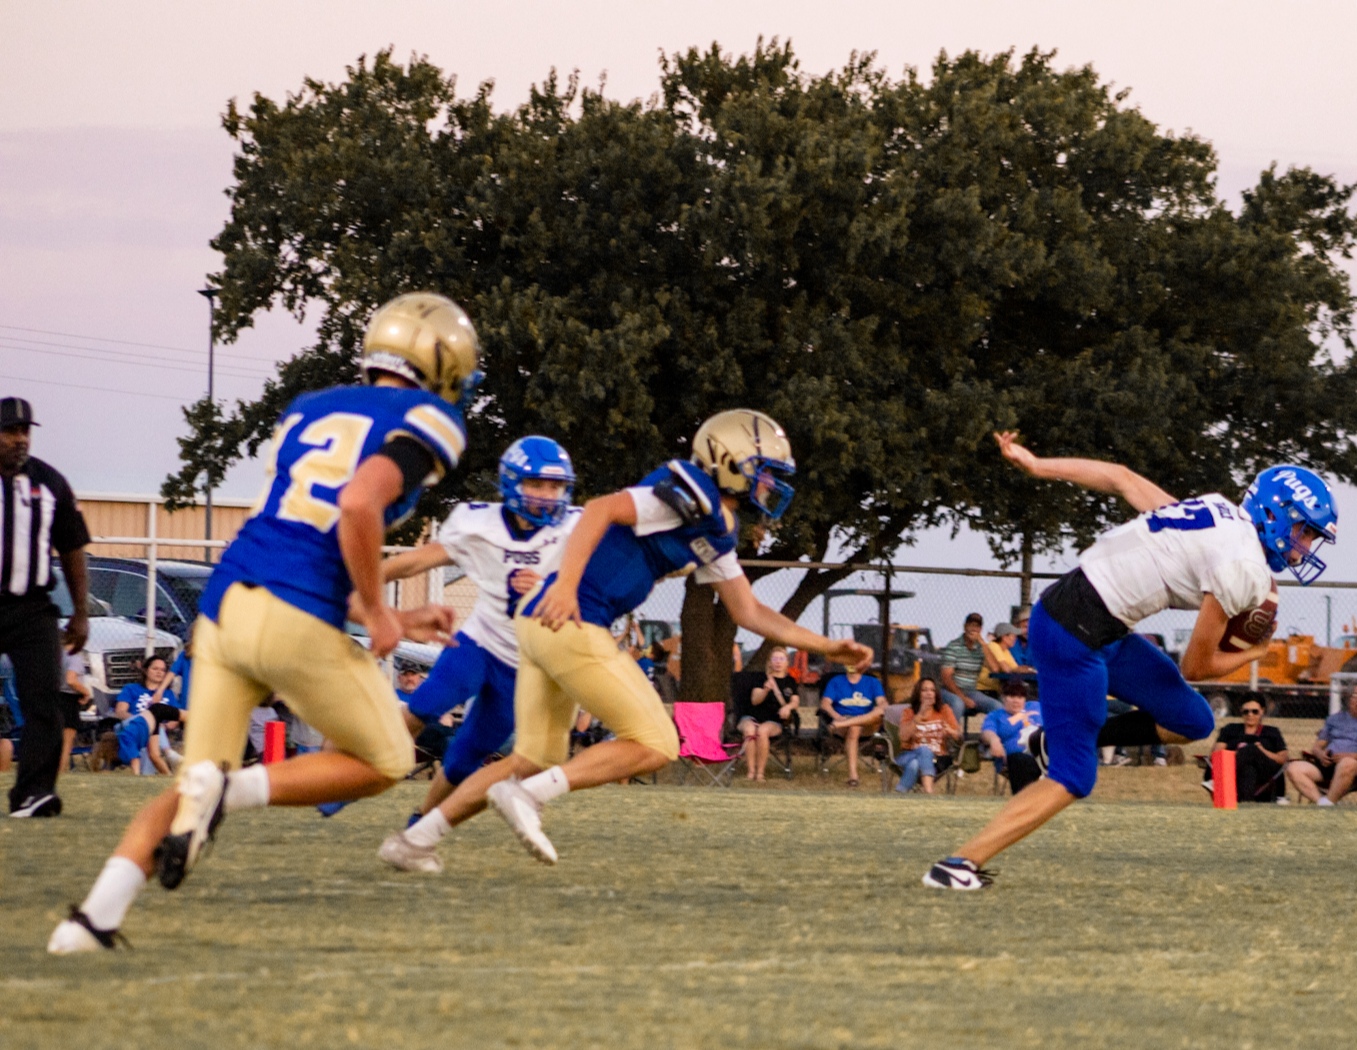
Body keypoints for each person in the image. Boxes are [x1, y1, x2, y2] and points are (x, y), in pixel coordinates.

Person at [49, 294, 476, 953]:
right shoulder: (430, 418)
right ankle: (231, 790)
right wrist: (384, 613)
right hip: (294, 615)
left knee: (195, 783)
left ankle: (90, 921)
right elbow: (360, 506)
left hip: (226, 605)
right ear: (444, 363)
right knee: (387, 755)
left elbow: (305, 533)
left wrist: (386, 610)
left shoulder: (311, 408)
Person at [381, 408, 870, 872]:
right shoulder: (686, 491)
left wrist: (826, 646)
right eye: (763, 472)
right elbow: (599, 511)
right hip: (571, 617)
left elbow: (748, 610)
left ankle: (414, 841)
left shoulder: (718, 526)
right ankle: (527, 796)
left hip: (541, 622)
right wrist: (568, 586)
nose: (770, 485)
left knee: (531, 759)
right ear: (729, 461)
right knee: (656, 742)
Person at [924, 433, 1334, 889]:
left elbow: (1120, 478)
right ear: (1276, 515)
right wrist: (1259, 651)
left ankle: (1050, 742)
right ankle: (958, 863)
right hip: (1070, 632)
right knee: (1074, 776)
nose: (1305, 548)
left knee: (1193, 718)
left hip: (1100, 624)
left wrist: (1038, 464)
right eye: (1305, 533)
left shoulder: (1222, 513)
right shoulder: (1245, 566)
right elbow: (1196, 668)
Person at [353, 436, 581, 823]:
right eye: (537, 484)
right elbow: (419, 561)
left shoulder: (577, 527)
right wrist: (361, 577)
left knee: (465, 760)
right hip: (480, 643)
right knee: (426, 705)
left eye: (555, 486)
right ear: (512, 483)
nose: (547, 495)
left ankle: (419, 822)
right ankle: (355, 772)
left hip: (525, 663)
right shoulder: (480, 523)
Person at [0, 396, 92, 818]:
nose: (20, 440)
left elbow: (73, 545)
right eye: (10, 431)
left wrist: (80, 611)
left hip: (32, 607)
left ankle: (33, 793)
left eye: (25, 431)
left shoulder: (50, 484)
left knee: (44, 699)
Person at [1285, 684, 1357, 806]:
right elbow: (1317, 746)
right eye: (1355, 696)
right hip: (1327, 762)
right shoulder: (1334, 719)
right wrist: (1320, 754)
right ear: (1348, 699)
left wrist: (1352, 756)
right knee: (1293, 768)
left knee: (1346, 763)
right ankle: (1323, 803)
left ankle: (1327, 802)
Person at [1201, 695, 1292, 802]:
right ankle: (1245, 806)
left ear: (1262, 711)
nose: (1250, 715)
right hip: (1237, 773)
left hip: (1266, 770)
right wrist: (1239, 753)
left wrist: (1261, 751)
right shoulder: (1230, 729)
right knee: (1249, 770)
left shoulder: (1272, 732)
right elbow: (1216, 754)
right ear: (1241, 712)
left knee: (1252, 749)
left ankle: (1218, 781)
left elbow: (1283, 759)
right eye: (1246, 711)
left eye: (1255, 711)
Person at [820, 655, 886, 786]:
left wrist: (880, 707)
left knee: (880, 711)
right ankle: (853, 776)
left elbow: (882, 703)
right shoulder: (836, 681)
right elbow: (825, 704)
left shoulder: (873, 682)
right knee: (854, 728)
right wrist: (837, 717)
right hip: (841, 722)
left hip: (866, 724)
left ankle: (853, 777)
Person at [113, 655, 181, 775]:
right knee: (150, 724)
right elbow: (120, 712)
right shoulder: (131, 689)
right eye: (155, 669)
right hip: (131, 727)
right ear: (145, 670)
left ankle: (145, 777)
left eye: (162, 670)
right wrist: (143, 721)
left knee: (153, 730)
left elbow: (175, 719)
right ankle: (168, 752)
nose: (159, 672)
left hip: (156, 733)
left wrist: (164, 726)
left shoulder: (168, 694)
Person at [739, 647, 801, 782]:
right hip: (752, 716)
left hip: (773, 720)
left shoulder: (790, 681)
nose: (778, 662)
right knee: (750, 730)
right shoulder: (761, 678)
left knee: (762, 731)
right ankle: (751, 772)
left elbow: (795, 701)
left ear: (786, 662)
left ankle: (760, 773)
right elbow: (754, 700)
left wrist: (788, 707)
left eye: (781, 659)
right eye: (775, 659)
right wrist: (766, 690)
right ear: (770, 662)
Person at [893, 676, 961, 794]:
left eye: (932, 690)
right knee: (924, 750)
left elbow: (960, 737)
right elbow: (903, 737)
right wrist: (919, 714)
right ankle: (929, 792)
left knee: (914, 764)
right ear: (918, 694)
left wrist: (951, 731)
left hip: (937, 759)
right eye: (924, 690)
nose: (929, 693)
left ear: (936, 694)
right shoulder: (909, 713)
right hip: (908, 754)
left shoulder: (944, 711)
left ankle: (900, 792)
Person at [982, 679, 1047, 794]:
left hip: (1044, 753)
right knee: (1020, 760)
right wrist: (994, 740)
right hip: (1018, 758)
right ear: (1003, 698)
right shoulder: (996, 716)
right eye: (1011, 696)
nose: (1016, 700)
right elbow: (987, 732)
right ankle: (1024, 799)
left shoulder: (1036, 707)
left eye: (1020, 697)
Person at [937, 613, 999, 726]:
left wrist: (983, 643)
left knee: (997, 707)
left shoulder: (981, 648)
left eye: (977, 626)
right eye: (971, 625)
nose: (973, 629)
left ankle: (993, 740)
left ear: (980, 629)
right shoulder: (954, 646)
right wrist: (963, 698)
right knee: (957, 703)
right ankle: (952, 740)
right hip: (950, 691)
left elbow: (995, 668)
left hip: (971, 691)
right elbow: (946, 677)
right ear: (965, 627)